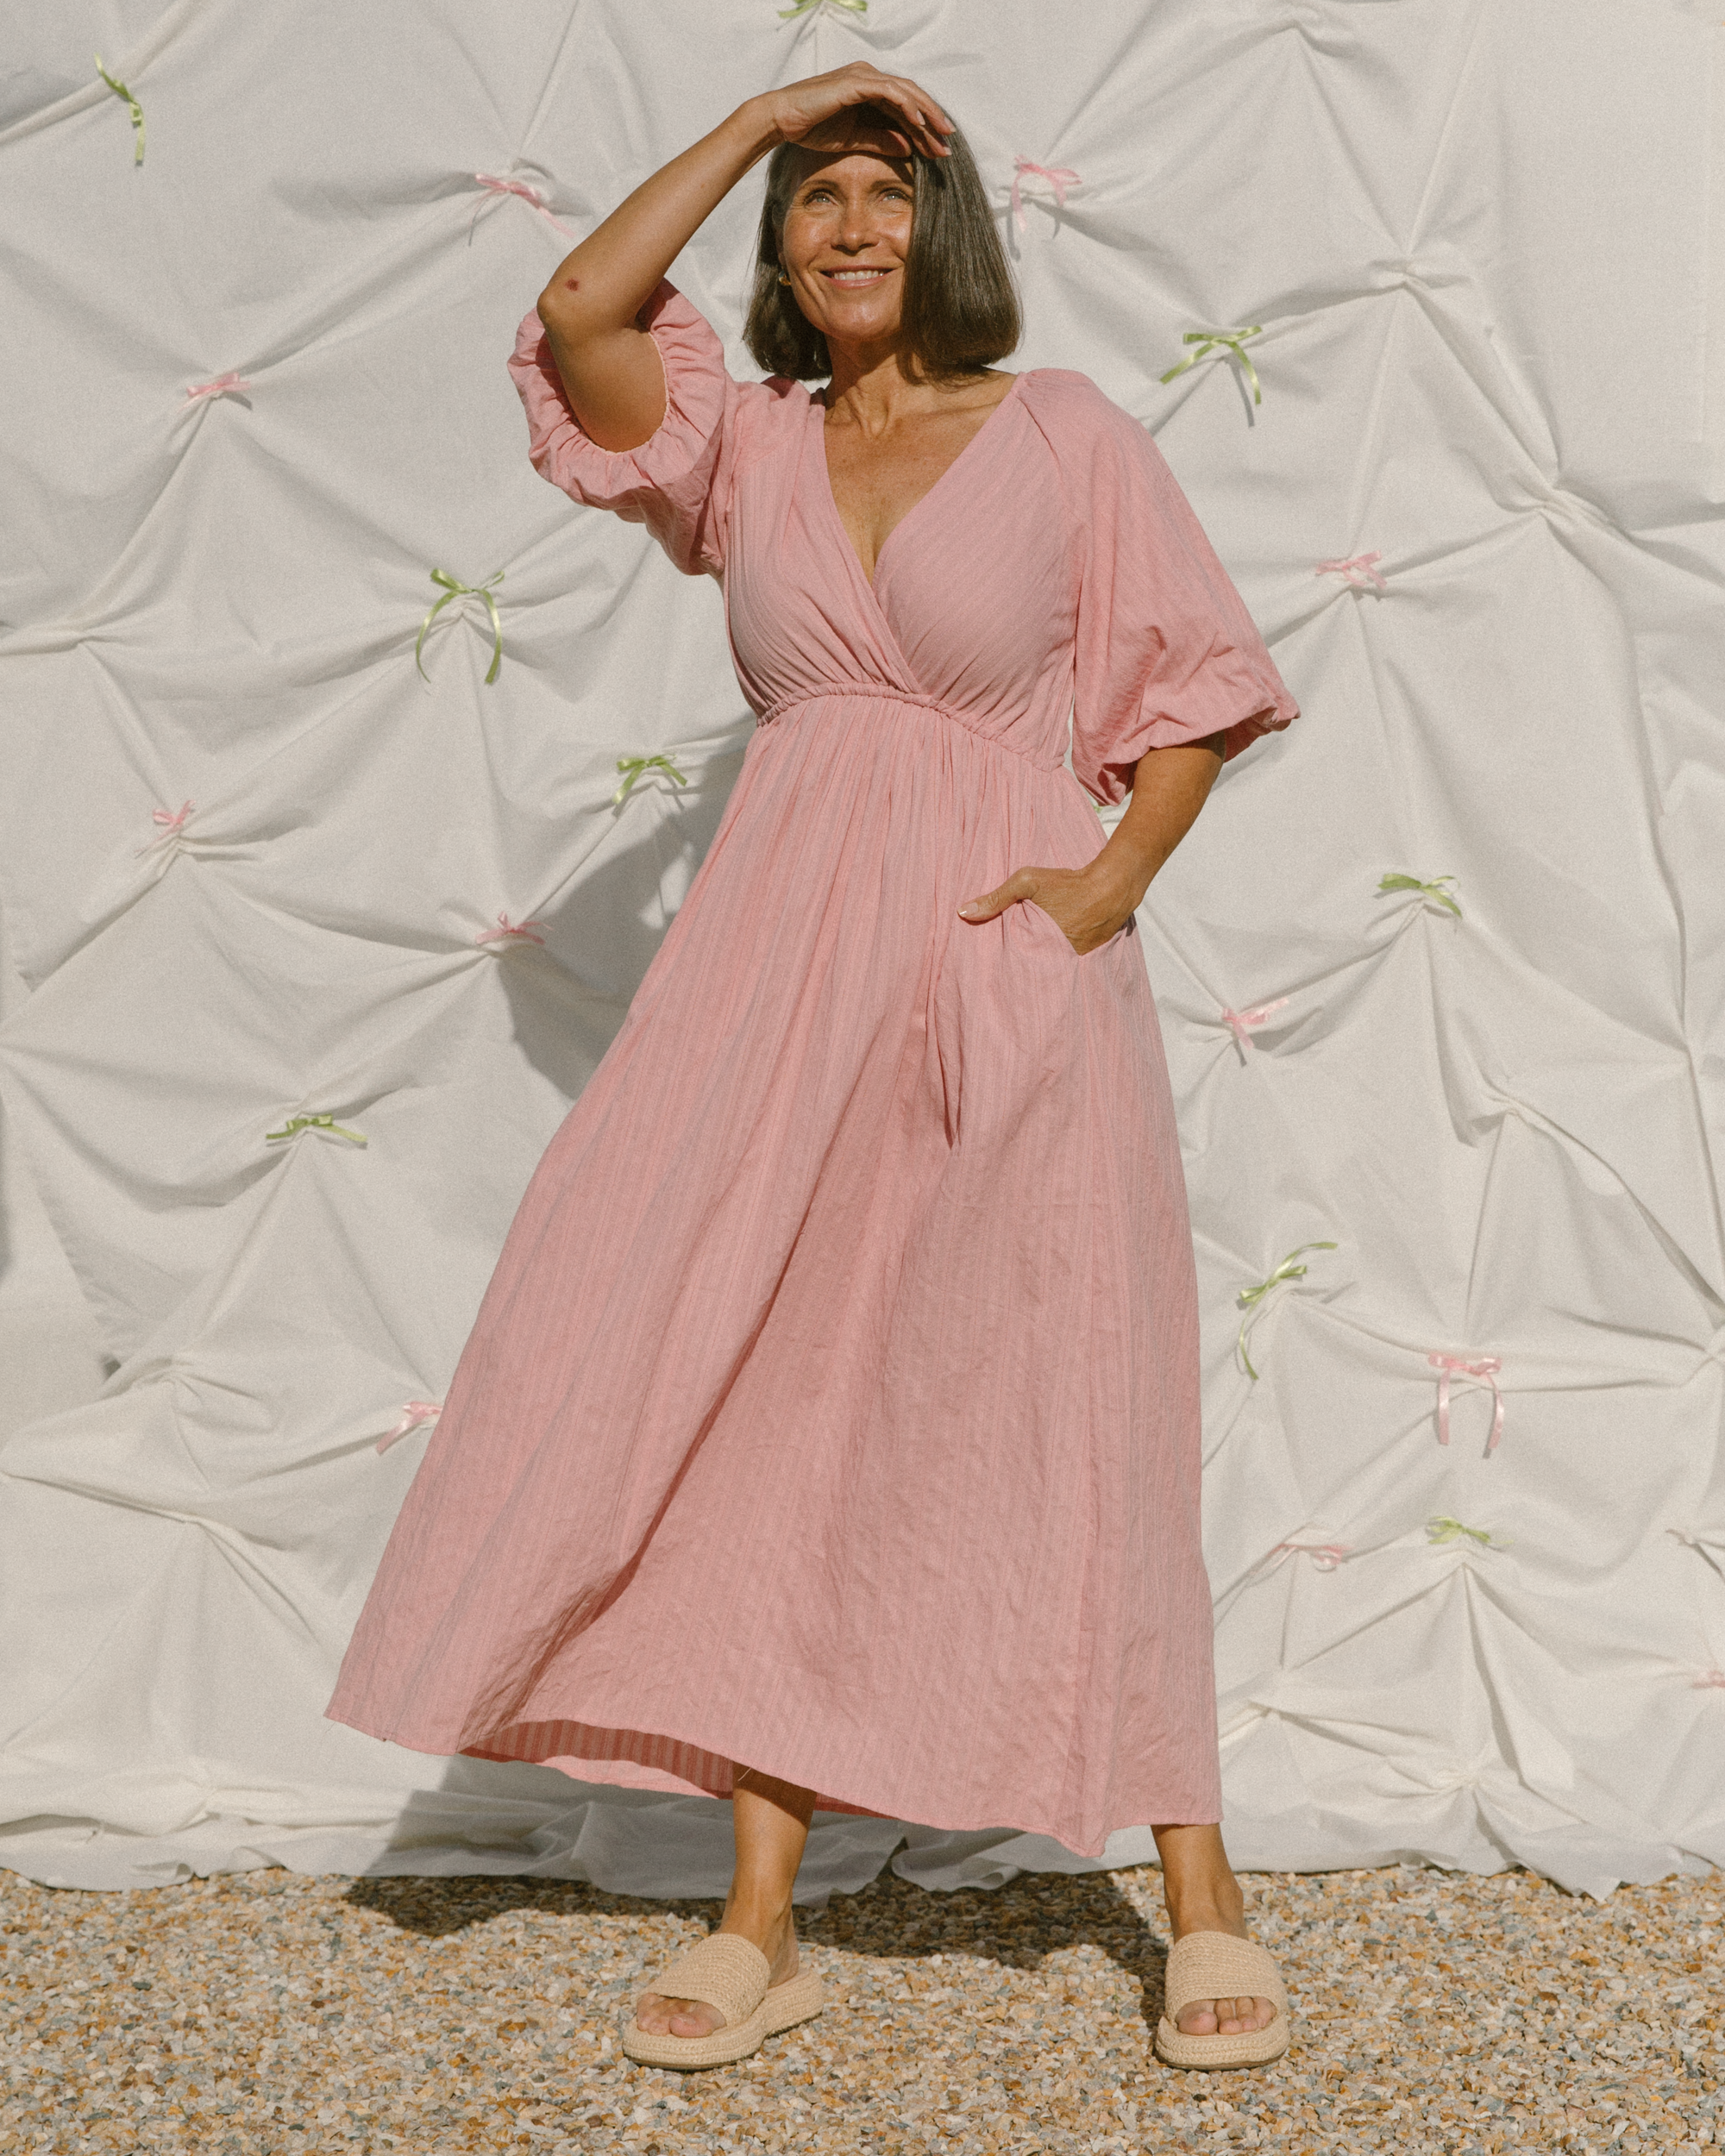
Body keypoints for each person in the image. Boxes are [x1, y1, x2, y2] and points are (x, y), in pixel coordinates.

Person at [326, 62, 1300, 2074]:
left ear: (936, 235)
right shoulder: (739, 452)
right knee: (765, 1402)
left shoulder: (1060, 432)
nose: (846, 227)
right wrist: (768, 111)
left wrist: (1101, 888)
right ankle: (761, 1913)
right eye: (811, 203)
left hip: (987, 965)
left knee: (1066, 1384)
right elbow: (585, 311)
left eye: (877, 197)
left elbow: (1193, 676)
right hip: (767, 987)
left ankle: (1198, 1888)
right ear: (774, 243)